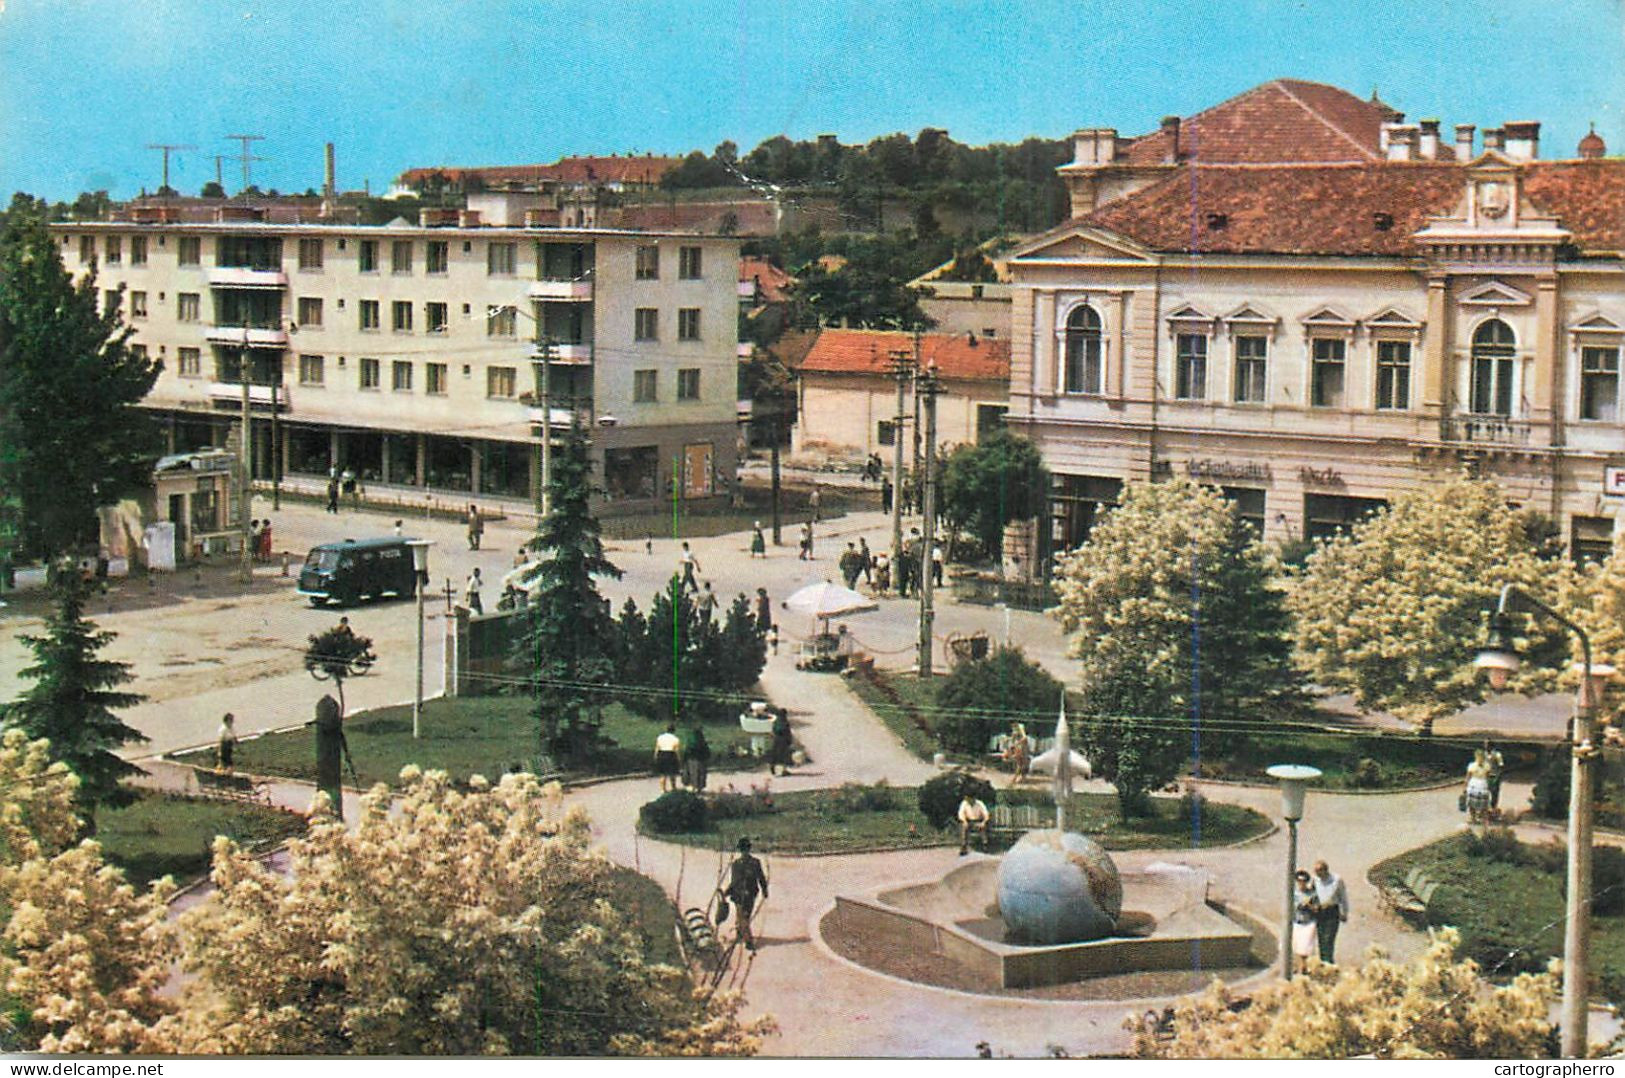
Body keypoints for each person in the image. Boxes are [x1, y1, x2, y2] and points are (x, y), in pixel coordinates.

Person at [724, 837, 769, 951]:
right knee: (742, 916)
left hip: (750, 894)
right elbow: (734, 881)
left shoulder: (755, 863)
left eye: (746, 849)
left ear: (748, 849)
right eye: (743, 850)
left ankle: (747, 939)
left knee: (744, 916)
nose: (744, 852)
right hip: (738, 894)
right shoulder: (736, 864)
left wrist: (764, 889)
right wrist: (727, 891)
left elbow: (761, 877)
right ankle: (743, 935)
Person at [1311, 860, 1350, 964]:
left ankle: (1328, 961)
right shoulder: (1315, 880)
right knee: (1321, 938)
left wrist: (1344, 912)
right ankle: (1322, 961)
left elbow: (1343, 897)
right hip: (1320, 912)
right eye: (1316, 871)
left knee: (1329, 939)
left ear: (1325, 870)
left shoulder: (1336, 880)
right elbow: (1312, 894)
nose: (1317, 873)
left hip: (1332, 911)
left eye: (1319, 871)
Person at [1292, 869, 1321, 973]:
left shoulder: (1312, 895)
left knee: (1305, 946)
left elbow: (1317, 909)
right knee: (1297, 946)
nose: (1301, 883)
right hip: (1297, 922)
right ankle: (1299, 966)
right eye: (1299, 881)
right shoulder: (1293, 894)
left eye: (1303, 881)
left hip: (1308, 923)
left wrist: (1308, 905)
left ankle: (1303, 967)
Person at [957, 789, 991, 855]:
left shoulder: (979, 804)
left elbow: (986, 814)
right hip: (968, 821)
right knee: (963, 827)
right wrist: (964, 821)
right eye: (966, 798)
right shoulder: (964, 803)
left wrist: (984, 822)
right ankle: (964, 846)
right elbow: (960, 814)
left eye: (968, 798)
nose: (967, 800)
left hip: (978, 821)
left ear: (973, 798)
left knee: (983, 827)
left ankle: (985, 845)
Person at [1465, 748, 1493, 825]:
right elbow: (1488, 777)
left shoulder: (1471, 765)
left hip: (1473, 784)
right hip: (1483, 784)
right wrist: (1490, 787)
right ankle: (1483, 819)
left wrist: (1464, 787)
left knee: (1471, 803)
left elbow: (1468, 777)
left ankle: (1473, 818)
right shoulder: (1487, 766)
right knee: (1484, 804)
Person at [654, 723, 682, 793]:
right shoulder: (675, 739)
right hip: (671, 754)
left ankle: (663, 789)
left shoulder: (660, 737)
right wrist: (679, 758)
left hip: (662, 754)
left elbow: (657, 747)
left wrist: (656, 756)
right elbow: (676, 750)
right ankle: (673, 788)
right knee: (672, 773)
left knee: (662, 774)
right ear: (674, 730)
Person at [683, 725, 711, 791]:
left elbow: (687, 750)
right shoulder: (702, 740)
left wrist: (685, 759)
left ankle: (693, 786)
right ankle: (700, 787)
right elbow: (706, 750)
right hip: (701, 759)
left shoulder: (690, 740)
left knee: (693, 773)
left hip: (692, 758)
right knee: (701, 773)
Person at [769, 707, 793, 776]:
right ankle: (784, 771)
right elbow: (787, 732)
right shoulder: (785, 722)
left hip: (776, 739)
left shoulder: (776, 721)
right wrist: (789, 740)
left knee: (775, 755)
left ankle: (772, 766)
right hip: (784, 740)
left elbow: (773, 730)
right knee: (784, 756)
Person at [1484, 740, 1506, 810]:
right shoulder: (1485, 754)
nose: (1485, 746)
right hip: (1486, 776)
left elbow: (1501, 767)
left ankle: (1493, 807)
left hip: (1495, 776)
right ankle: (1485, 807)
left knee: (1494, 793)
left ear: (1491, 745)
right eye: (1485, 744)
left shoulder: (1497, 755)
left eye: (1486, 744)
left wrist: (1498, 777)